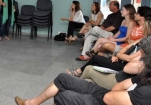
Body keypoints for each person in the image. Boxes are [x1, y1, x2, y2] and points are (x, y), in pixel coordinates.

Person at [14, 35, 151, 105]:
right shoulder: (147, 73)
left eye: (143, 55)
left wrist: (115, 93)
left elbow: (110, 98)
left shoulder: (147, 90)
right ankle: (30, 103)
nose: (140, 57)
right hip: (111, 95)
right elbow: (119, 86)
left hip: (108, 100)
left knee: (62, 95)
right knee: (63, 77)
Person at [67, 6, 151, 77]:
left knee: (98, 54)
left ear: (143, 17)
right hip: (123, 53)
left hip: (124, 62)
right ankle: (81, 70)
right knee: (96, 51)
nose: (135, 14)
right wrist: (117, 53)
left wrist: (116, 55)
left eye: (137, 13)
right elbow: (129, 43)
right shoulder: (136, 28)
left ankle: (80, 70)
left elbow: (129, 56)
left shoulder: (145, 40)